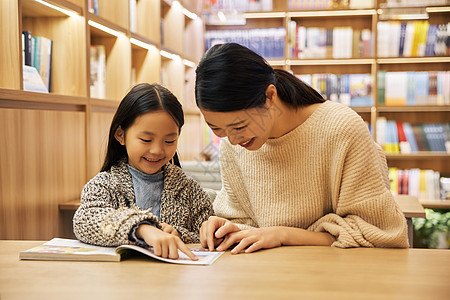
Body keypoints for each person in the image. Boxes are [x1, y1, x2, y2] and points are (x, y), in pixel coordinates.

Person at [195, 43, 409, 254]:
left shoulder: (341, 128)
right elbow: (243, 222)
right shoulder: (235, 145)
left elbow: (377, 233)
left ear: (270, 96)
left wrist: (282, 235)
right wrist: (224, 228)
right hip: (268, 277)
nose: (232, 140)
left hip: (338, 276)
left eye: (239, 126)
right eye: (217, 129)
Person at [73, 83, 213, 260]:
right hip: (121, 280)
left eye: (169, 141)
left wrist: (179, 234)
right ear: (120, 135)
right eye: (146, 140)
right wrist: (141, 228)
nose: (157, 150)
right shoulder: (104, 185)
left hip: (175, 281)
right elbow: (85, 220)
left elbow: (207, 239)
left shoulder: (190, 190)